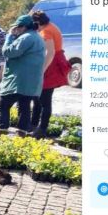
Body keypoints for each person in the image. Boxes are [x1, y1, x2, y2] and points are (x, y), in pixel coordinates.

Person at [0, 15, 45, 134]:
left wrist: (10, 37)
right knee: (24, 105)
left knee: (2, 103)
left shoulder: (25, 37)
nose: (16, 29)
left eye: (17, 27)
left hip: (19, 79)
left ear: (23, 27)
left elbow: (8, 52)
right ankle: (22, 131)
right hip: (31, 81)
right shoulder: (37, 37)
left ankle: (2, 128)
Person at [30, 10, 71, 138]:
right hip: (54, 63)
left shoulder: (46, 31)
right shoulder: (52, 27)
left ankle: (41, 129)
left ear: (37, 22)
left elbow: (50, 52)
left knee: (44, 100)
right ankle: (34, 125)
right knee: (39, 98)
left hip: (50, 66)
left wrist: (41, 71)